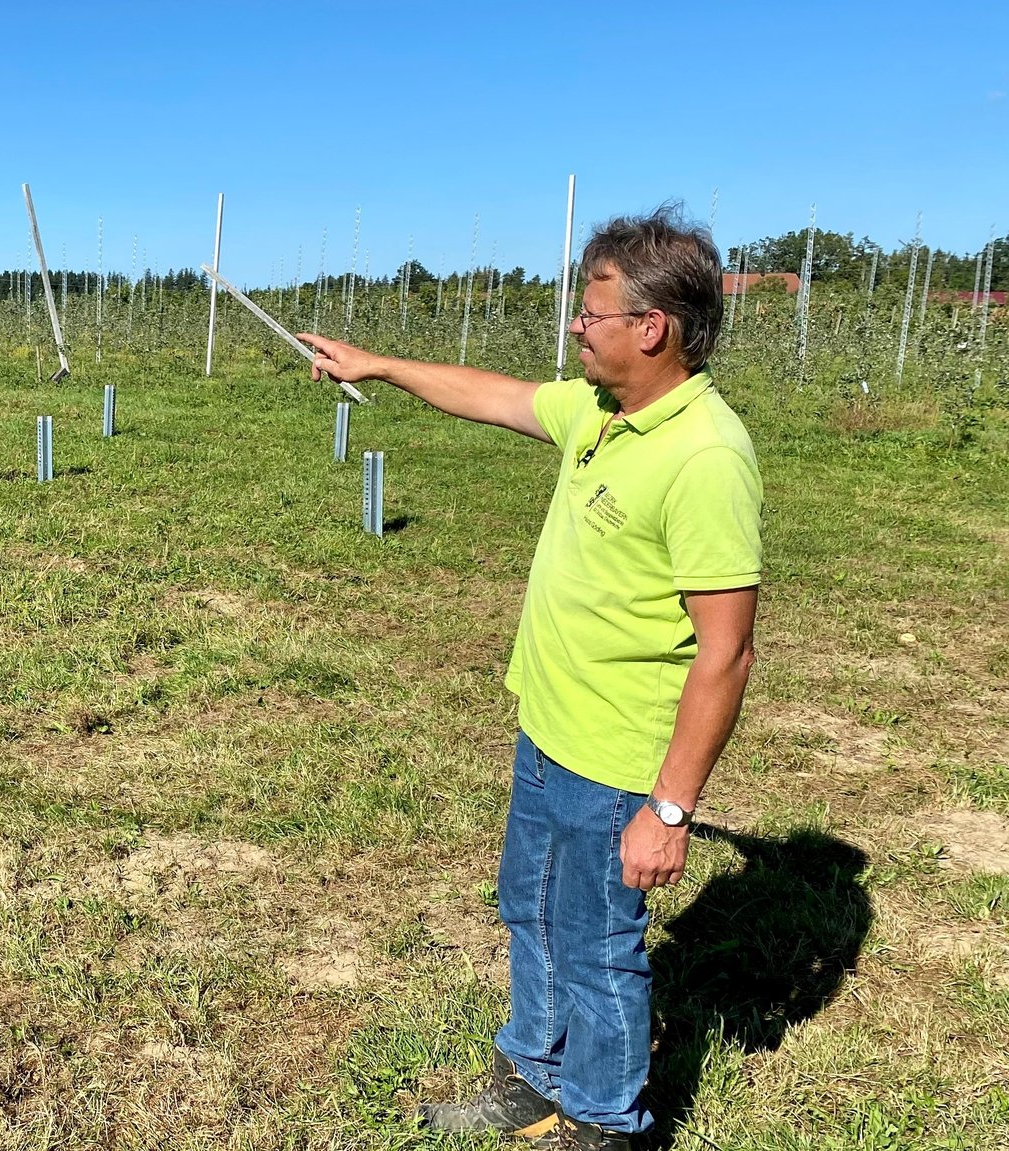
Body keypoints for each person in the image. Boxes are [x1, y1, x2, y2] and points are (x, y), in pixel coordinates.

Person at [298, 205, 761, 1150]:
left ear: (652, 328)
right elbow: (494, 394)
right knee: (531, 909)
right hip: (548, 727)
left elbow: (727, 651)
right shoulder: (601, 412)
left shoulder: (705, 456)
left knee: (597, 948)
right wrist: (378, 364)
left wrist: (670, 808)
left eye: (591, 315)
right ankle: (532, 1075)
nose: (574, 330)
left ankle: (602, 1123)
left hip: (618, 754)